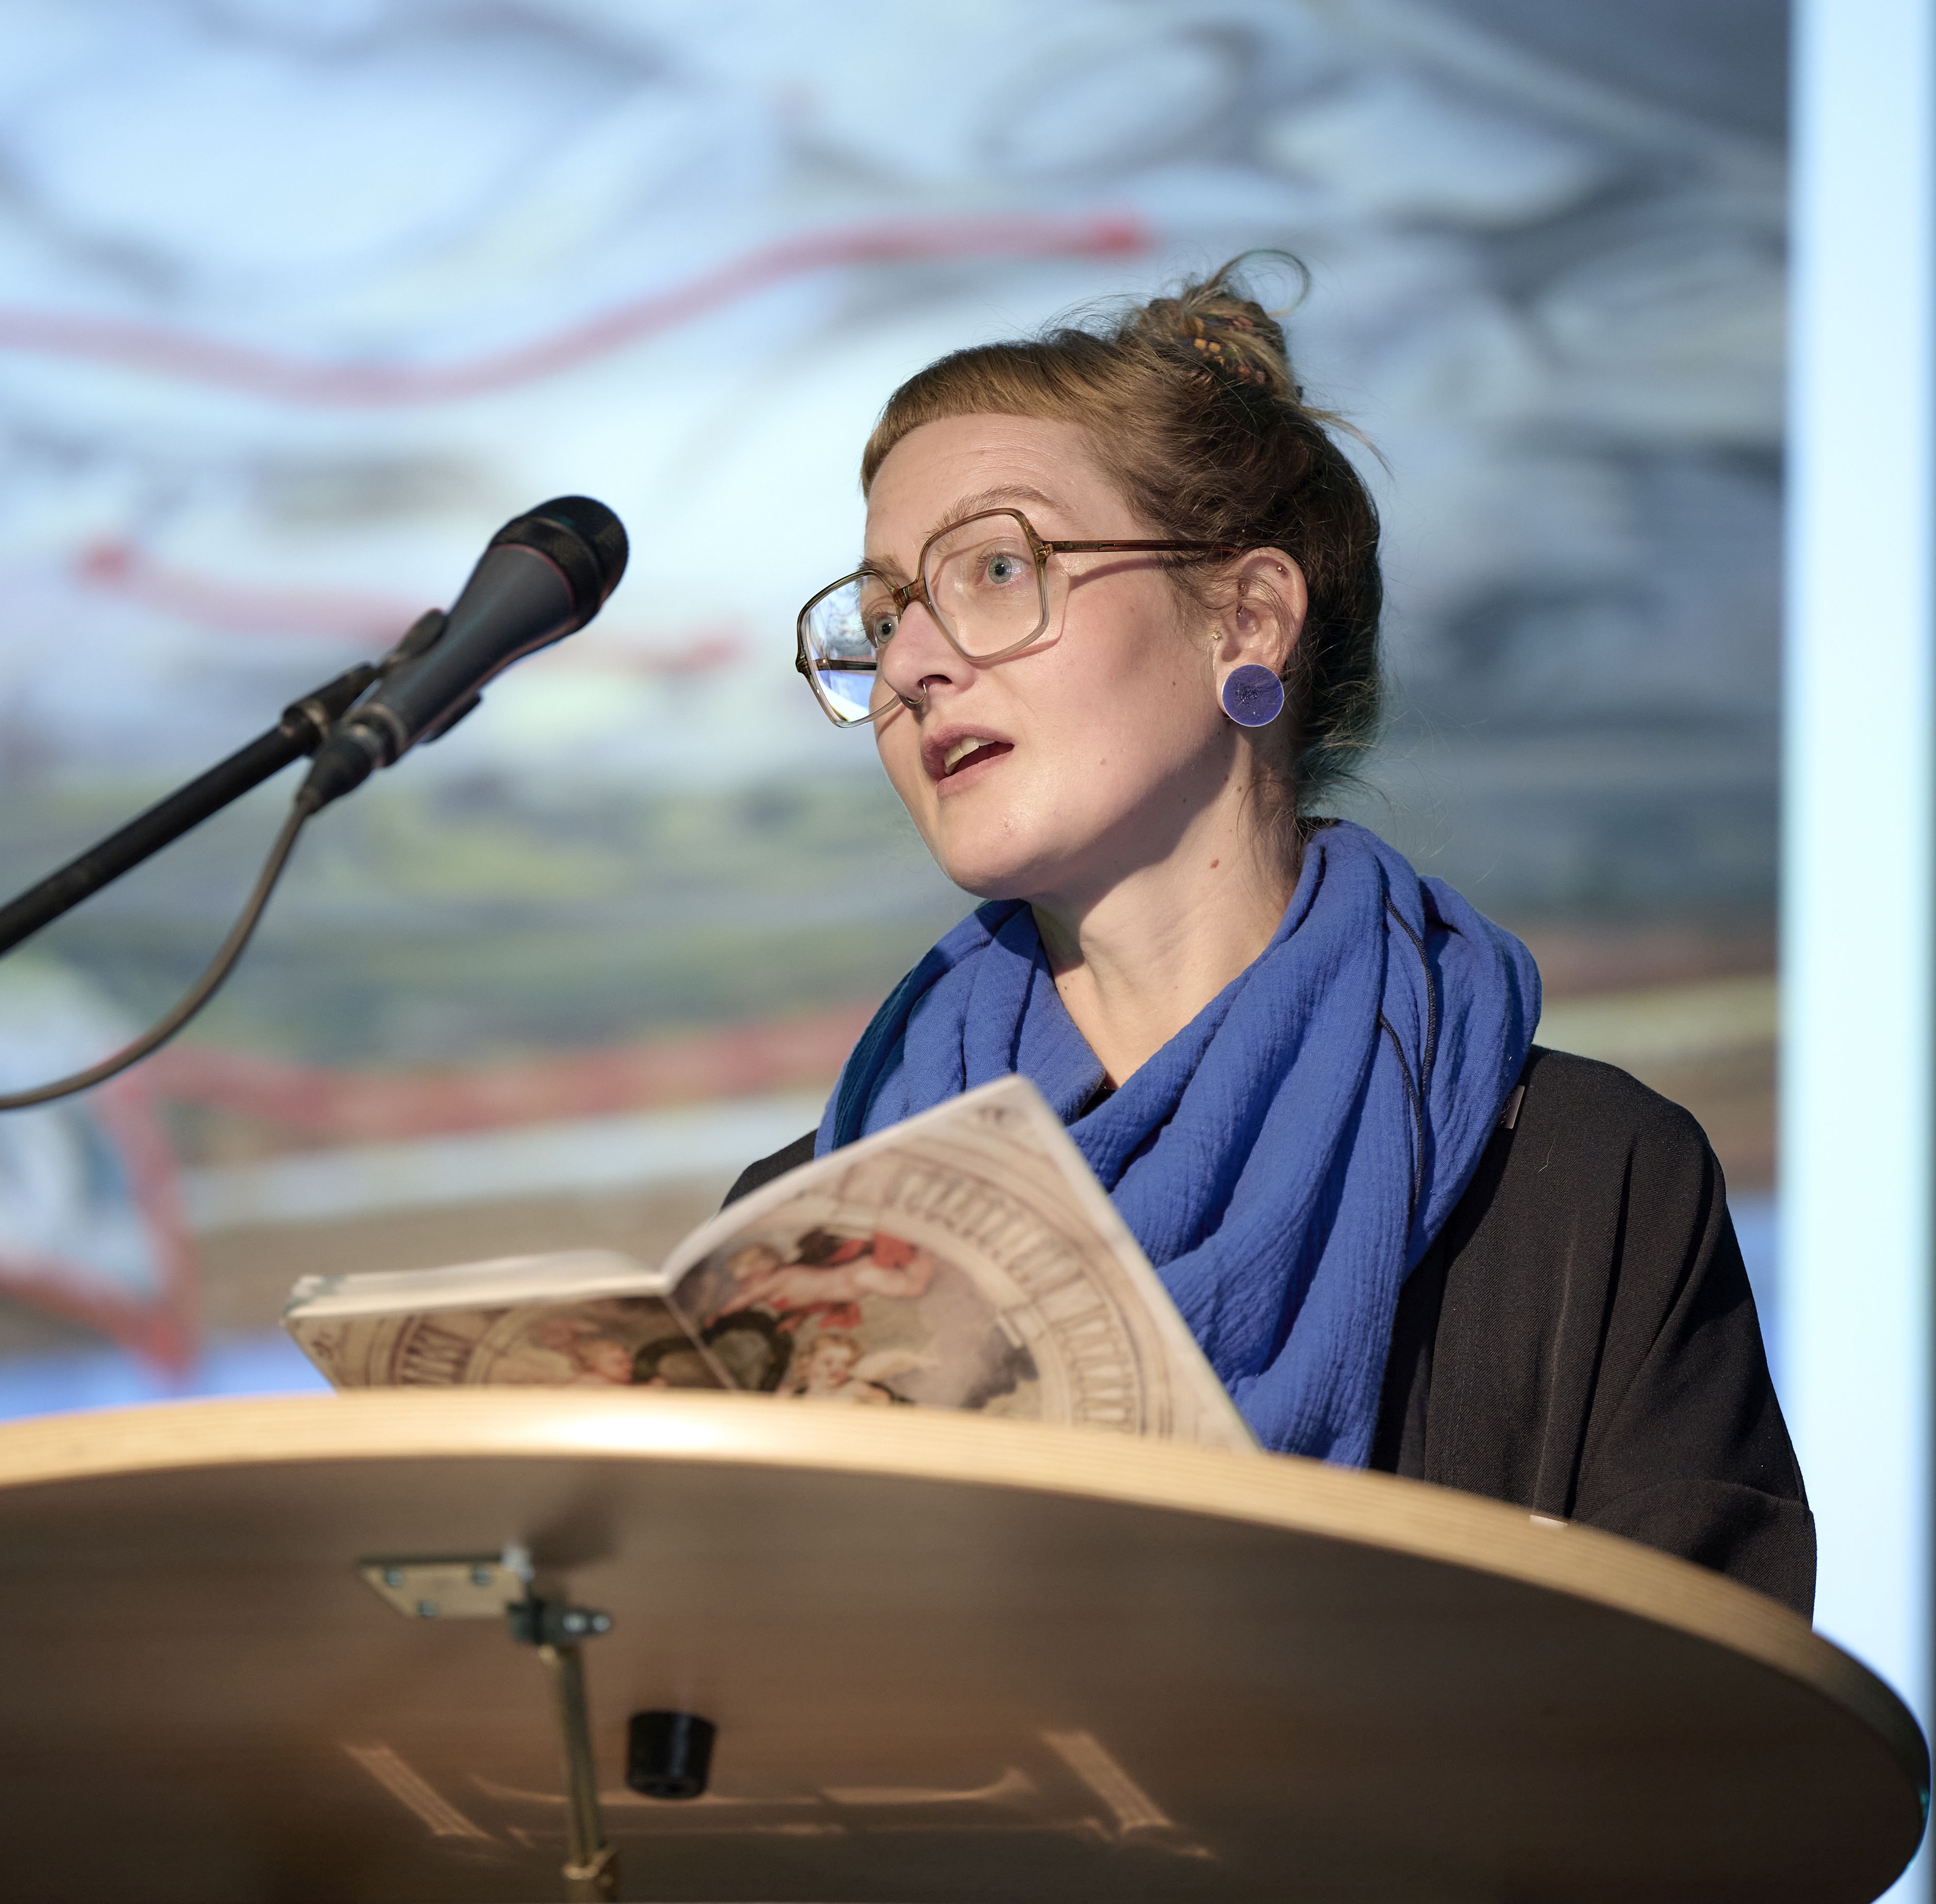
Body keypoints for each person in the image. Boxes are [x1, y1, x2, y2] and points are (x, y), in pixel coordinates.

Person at [734, 256, 1812, 1612]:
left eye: (997, 568)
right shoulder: (807, 1223)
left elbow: (1704, 1722)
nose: (908, 664)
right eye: (886, 614)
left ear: (1247, 619)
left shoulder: (1580, 1186)